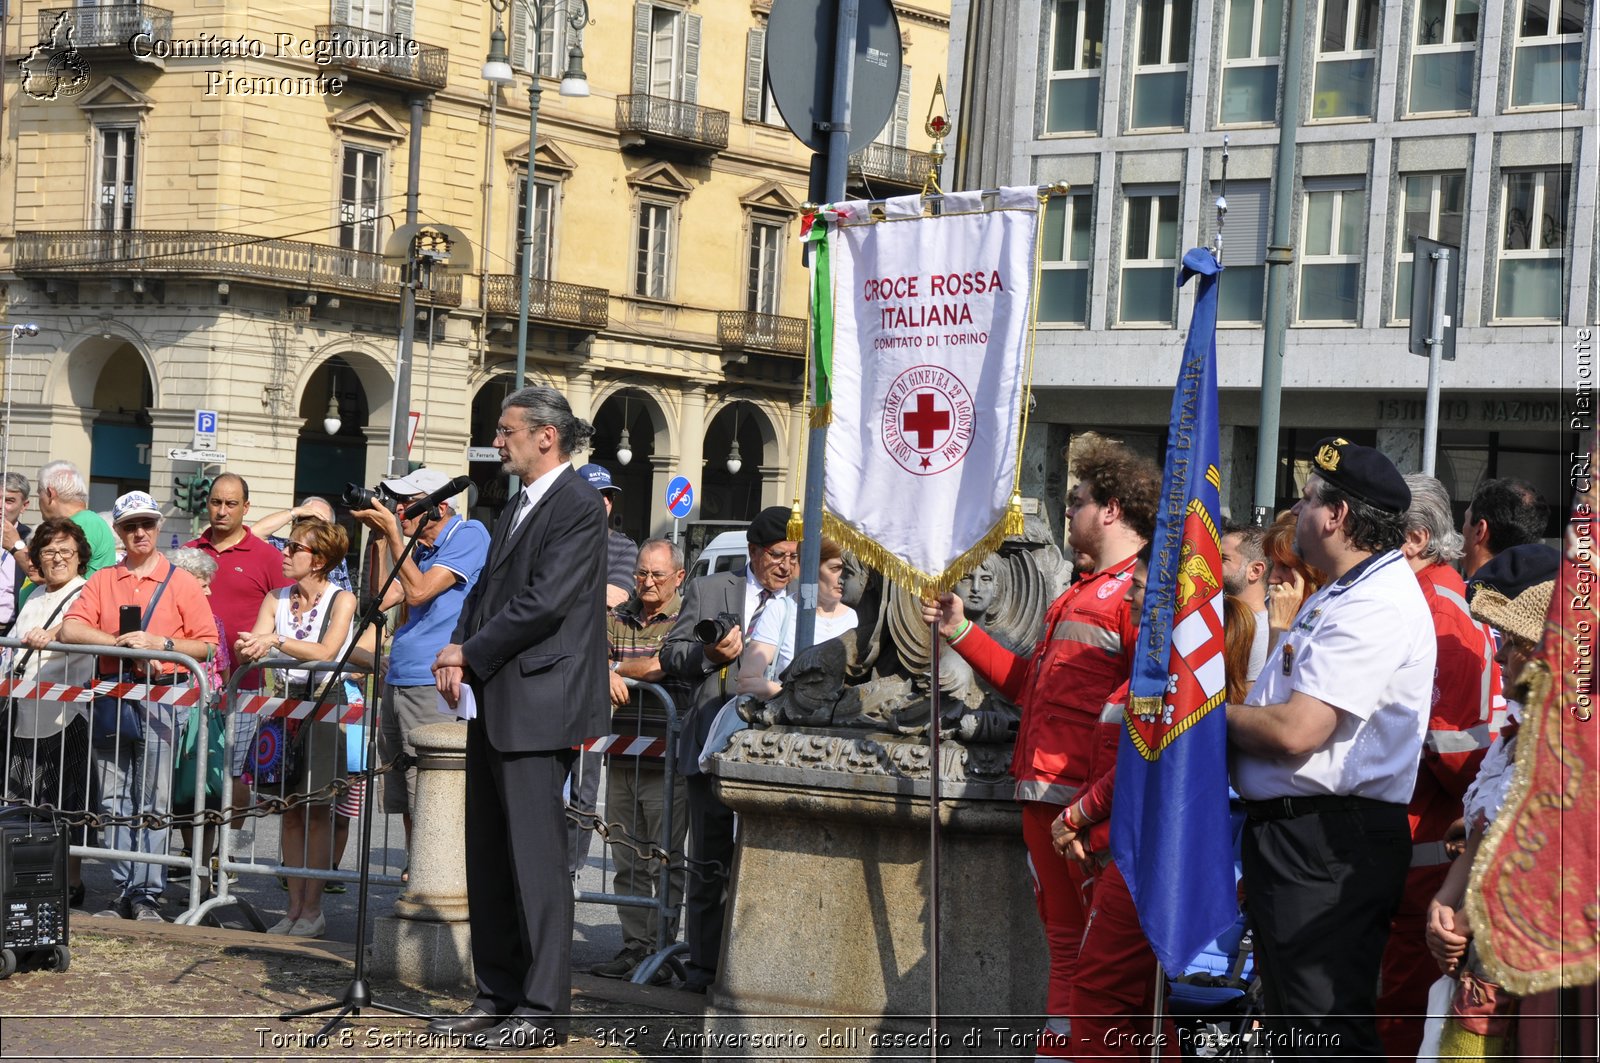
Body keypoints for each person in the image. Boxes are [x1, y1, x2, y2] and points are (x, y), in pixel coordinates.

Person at [924, 434, 1160, 1057]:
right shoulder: (1085, 591)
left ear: (1110, 509)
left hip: (1083, 809)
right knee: (1068, 948)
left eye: (1079, 500)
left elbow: (1152, 714)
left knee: (1093, 961)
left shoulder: (1136, 596)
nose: (1069, 510)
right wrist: (961, 631)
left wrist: (1091, 811)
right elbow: (1032, 687)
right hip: (1052, 801)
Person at [1227, 437, 1436, 1059]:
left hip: (1326, 843)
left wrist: (1205, 718)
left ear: (1338, 516)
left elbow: (1298, 731)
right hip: (1301, 839)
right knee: (1300, 1030)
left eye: (1311, 496)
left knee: (1322, 1037)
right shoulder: (1344, 589)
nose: (1301, 504)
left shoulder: (1376, 602)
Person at [428, 386, 608, 1049]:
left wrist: (469, 650)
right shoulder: (514, 505)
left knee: (536, 863)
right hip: (494, 700)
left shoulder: (579, 506)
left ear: (545, 437)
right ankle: (496, 991)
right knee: (491, 859)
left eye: (506, 431)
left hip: (540, 703)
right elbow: (487, 592)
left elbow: (545, 602)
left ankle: (542, 1007)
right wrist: (460, 656)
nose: (496, 442)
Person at [1378, 473, 1504, 1059]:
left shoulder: (1437, 609)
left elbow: (1460, 755)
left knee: (1399, 1017)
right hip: (1416, 851)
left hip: (1422, 852)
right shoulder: (1429, 599)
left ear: (1415, 538)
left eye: (1375, 527)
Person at [1425, 544, 1559, 1058]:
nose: (1499, 655)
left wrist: (1464, 918)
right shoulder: (1513, 737)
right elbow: (1484, 834)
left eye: (1514, 642)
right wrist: (1445, 903)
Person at [60, 491, 218, 922]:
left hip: (163, 699)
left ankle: (147, 892)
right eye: (131, 526)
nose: (140, 532)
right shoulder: (103, 579)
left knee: (154, 801)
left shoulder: (181, 581)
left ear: (158, 526)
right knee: (112, 802)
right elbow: (72, 628)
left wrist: (159, 644)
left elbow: (207, 645)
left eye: (146, 524)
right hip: (112, 695)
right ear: (120, 532)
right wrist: (120, 644)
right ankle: (125, 888)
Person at [660, 504, 797, 994]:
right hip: (711, 745)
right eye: (778, 556)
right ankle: (703, 967)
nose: (786, 567)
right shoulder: (710, 588)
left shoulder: (803, 600)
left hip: (778, 749)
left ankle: (759, 967)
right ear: (754, 552)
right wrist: (708, 655)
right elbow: (671, 653)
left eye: (795, 557)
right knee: (710, 864)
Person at [351, 468, 488, 860]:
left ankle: (437, 878)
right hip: (400, 679)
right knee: (406, 793)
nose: (398, 509)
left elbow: (420, 590)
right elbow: (383, 596)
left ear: (439, 506)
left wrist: (394, 534)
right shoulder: (420, 549)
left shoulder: (469, 534)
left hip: (435, 683)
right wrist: (380, 538)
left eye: (406, 502)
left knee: (430, 790)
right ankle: (418, 870)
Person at [233, 516, 357, 938]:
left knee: (317, 810)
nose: (284, 554)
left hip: (323, 703)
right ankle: (291, 910)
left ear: (319, 558)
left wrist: (273, 642)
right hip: (282, 706)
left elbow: (326, 649)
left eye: (293, 548)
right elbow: (257, 639)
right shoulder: (275, 596)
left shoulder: (342, 599)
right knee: (288, 812)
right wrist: (247, 644)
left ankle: (313, 910)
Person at [591, 537, 693, 983]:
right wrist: (605, 667)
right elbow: (591, 657)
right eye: (640, 573)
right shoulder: (617, 617)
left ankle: (662, 951)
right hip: (622, 755)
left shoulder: (687, 617)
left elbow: (664, 664)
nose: (647, 583)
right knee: (626, 858)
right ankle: (634, 948)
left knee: (665, 860)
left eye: (657, 575)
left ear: (679, 577)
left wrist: (614, 670)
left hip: (668, 759)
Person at [5, 517, 94, 905]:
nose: (57, 558)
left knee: (64, 803)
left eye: (65, 551)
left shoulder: (86, 593)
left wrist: (56, 634)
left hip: (66, 714)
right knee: (24, 798)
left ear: (79, 557)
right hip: (24, 711)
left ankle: (69, 883)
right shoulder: (34, 596)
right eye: (49, 551)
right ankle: (30, 877)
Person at [570, 464, 638, 880]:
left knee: (583, 781)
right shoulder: (555, 541)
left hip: (592, 674)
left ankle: (572, 867)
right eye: (595, 494)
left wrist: (564, 596)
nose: (603, 501)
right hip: (550, 677)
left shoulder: (622, 547)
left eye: (609, 495)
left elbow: (613, 596)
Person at [736, 537, 858, 700]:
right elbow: (747, 681)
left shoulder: (854, 617)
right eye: (835, 568)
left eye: (849, 570)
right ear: (810, 567)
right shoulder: (781, 610)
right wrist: (794, 696)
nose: (843, 578)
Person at [253, 496, 352, 593]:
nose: (311, 526)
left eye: (319, 522)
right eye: (305, 518)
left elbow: (346, 596)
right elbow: (253, 534)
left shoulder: (336, 559)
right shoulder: (285, 547)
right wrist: (295, 512)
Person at [33, 461, 116, 576]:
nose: (38, 500)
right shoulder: (86, 520)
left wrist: (14, 546)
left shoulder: (84, 523)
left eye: (39, 493)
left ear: (50, 493)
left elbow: (53, 573)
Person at [1460, 477, 1548, 580]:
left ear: (1480, 531)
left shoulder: (1460, 594)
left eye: (1465, 519)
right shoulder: (1540, 593)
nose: (1462, 530)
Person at [1262, 509, 1327, 645]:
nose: (1272, 579)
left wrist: (1280, 627)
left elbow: (1279, 666)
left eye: (1285, 566)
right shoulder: (1269, 611)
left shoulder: (1331, 622)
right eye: (1273, 564)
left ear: (1315, 572)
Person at [1220, 521, 1270, 682]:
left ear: (1255, 571)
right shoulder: (1216, 615)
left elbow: (1249, 699)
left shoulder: (1263, 632)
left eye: (1223, 559)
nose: (1212, 565)